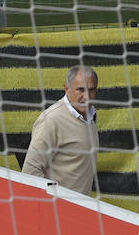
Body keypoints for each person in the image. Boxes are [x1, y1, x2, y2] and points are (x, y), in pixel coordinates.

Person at [22, 64, 99, 196]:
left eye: (91, 90)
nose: (87, 97)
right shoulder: (51, 120)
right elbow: (30, 172)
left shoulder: (90, 117)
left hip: (82, 211)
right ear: (66, 89)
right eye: (81, 90)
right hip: (57, 212)